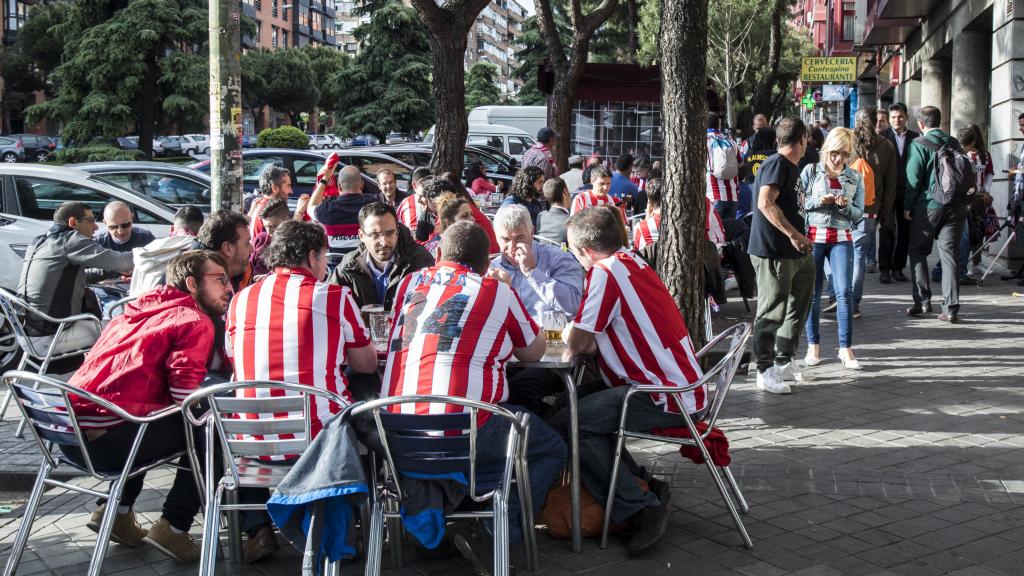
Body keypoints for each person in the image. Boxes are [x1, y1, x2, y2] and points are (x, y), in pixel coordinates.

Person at [383, 221, 567, 570]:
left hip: (398, 433)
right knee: (551, 448)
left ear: (439, 255)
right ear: (487, 263)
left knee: (492, 427)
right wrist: (509, 293)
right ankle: (492, 532)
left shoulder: (409, 283)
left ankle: (455, 515)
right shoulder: (496, 290)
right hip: (467, 430)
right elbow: (533, 352)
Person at [554, 206, 705, 557]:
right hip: (675, 383)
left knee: (572, 424)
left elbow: (579, 343)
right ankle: (640, 481)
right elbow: (591, 339)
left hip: (661, 394)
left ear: (583, 250)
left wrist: (568, 333)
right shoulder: (629, 260)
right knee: (568, 408)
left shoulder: (605, 272)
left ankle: (639, 506)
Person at [63, 250, 231, 563]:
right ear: (192, 283)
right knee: (210, 430)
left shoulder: (132, 310)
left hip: (67, 438)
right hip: (109, 443)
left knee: (151, 416)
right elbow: (184, 394)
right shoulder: (195, 320)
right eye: (220, 280)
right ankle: (175, 527)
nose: (229, 288)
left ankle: (118, 513)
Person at [748, 117, 814, 394]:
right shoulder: (776, 163)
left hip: (796, 252)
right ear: (803, 139)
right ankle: (764, 369)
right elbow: (765, 203)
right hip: (775, 251)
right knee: (772, 310)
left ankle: (784, 359)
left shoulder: (791, 166)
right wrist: (794, 235)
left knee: (799, 304)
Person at [17, 201, 134, 354]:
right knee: (126, 329)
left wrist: (110, 272)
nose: (96, 226)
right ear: (73, 222)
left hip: (26, 332)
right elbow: (122, 261)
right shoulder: (68, 240)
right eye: (91, 221)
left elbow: (71, 279)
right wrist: (161, 250)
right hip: (51, 335)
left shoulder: (40, 241)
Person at [800, 128, 864, 369]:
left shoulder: (855, 177)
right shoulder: (810, 171)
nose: (838, 159)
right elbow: (799, 204)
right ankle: (813, 345)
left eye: (844, 155)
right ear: (826, 149)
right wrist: (820, 200)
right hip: (814, 237)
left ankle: (845, 349)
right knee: (813, 294)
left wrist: (844, 206)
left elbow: (858, 215)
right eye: (835, 153)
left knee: (844, 292)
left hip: (841, 238)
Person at [905, 106, 966, 323]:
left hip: (928, 205)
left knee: (917, 251)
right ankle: (950, 308)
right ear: (941, 120)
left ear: (921, 124)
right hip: (956, 206)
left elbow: (913, 178)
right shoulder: (954, 143)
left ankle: (922, 302)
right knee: (949, 255)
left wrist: (907, 205)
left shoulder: (918, 144)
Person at [329, 202, 434, 310]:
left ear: (397, 231)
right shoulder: (348, 266)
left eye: (389, 233)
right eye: (375, 235)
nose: (384, 241)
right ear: (361, 235)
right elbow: (331, 306)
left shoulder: (420, 260)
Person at [488, 204, 582, 319]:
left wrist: (532, 272)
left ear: (532, 232)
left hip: (549, 333)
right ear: (496, 236)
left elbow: (573, 306)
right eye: (506, 240)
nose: (512, 248)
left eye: (519, 238)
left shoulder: (558, 258)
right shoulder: (492, 269)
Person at [848, 107, 898, 314]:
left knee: (840, 253)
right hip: (870, 208)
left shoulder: (845, 141)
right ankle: (853, 303)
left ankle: (839, 295)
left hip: (841, 207)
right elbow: (891, 183)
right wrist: (883, 212)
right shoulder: (886, 146)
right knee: (859, 255)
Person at [307, 163, 382, 263]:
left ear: (339, 186)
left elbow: (310, 207)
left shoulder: (327, 209)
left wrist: (324, 179)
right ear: (362, 185)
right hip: (366, 267)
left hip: (337, 269)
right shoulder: (374, 205)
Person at [880, 102, 919, 284]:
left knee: (906, 231)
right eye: (894, 117)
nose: (897, 120)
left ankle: (898, 268)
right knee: (887, 229)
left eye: (901, 117)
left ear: (906, 118)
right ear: (889, 119)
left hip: (908, 191)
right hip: (887, 191)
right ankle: (885, 269)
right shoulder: (881, 137)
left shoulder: (915, 137)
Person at [129, 206, 204, 297]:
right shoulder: (199, 251)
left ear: (172, 229)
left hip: (139, 305)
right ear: (201, 232)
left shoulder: (149, 248)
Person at [633, 180, 725, 251]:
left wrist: (648, 217)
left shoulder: (701, 202)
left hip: (712, 252)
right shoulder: (680, 217)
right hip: (710, 252)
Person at [195, 210, 253, 292]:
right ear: (227, 249)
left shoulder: (235, 275)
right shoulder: (203, 292)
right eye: (247, 243)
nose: (252, 250)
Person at [247, 165, 309, 238]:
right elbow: (286, 241)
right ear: (274, 187)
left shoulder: (261, 204)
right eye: (288, 186)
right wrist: (299, 212)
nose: (291, 191)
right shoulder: (269, 211)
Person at [706, 112, 743, 219]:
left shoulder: (703, 141)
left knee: (715, 234)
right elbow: (740, 163)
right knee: (728, 233)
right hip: (733, 196)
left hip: (713, 195)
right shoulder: (731, 141)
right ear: (718, 125)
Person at [250, 197, 291, 276]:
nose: (269, 232)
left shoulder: (294, 243)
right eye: (266, 227)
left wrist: (269, 277)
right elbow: (249, 265)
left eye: (274, 226)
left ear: (286, 220)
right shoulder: (261, 239)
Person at [396, 166, 432, 238]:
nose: (420, 200)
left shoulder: (438, 204)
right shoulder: (405, 204)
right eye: (421, 195)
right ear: (414, 185)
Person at [535, 177, 571, 245]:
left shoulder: (541, 215)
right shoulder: (570, 221)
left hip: (541, 253)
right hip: (562, 254)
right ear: (565, 192)